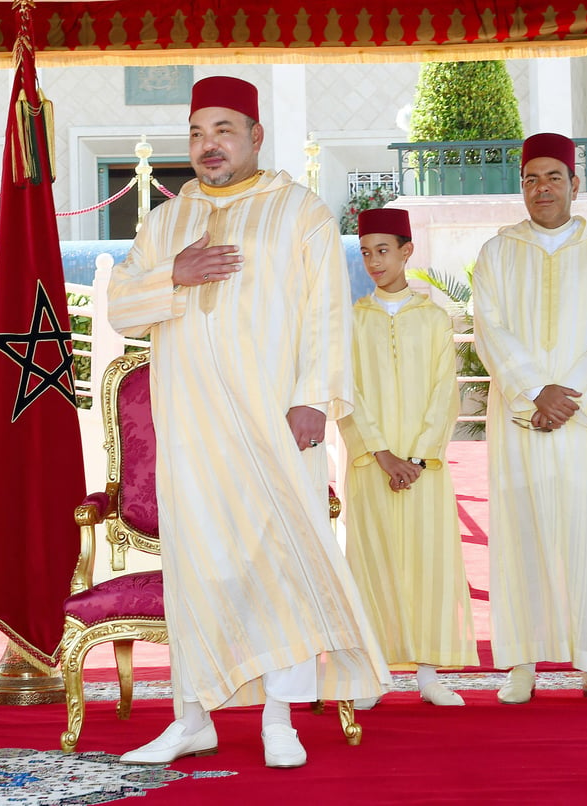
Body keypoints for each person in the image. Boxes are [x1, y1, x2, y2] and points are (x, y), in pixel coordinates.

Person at [107, 76, 389, 769]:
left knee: (279, 564)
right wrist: (173, 273)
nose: (209, 145)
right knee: (195, 569)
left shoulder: (298, 211)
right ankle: (190, 716)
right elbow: (120, 309)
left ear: (255, 136)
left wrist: (312, 398)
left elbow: (326, 311)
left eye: (223, 130)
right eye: (198, 133)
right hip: (189, 430)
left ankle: (279, 719)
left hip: (271, 423)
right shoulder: (163, 222)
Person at [472, 133, 587, 706]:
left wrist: (569, 398)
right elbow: (490, 330)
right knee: (520, 536)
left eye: (553, 178)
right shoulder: (497, 252)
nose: (541, 189)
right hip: (523, 424)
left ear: (575, 184)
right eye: (530, 180)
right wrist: (535, 393)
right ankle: (520, 662)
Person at [339, 208, 479, 706]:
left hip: (424, 470)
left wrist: (417, 459)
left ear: (406, 251)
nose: (375, 261)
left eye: (384, 250)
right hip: (370, 464)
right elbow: (347, 392)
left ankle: (428, 675)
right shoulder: (352, 320)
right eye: (366, 252)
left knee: (427, 561)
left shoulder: (435, 318)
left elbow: (445, 394)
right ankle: (375, 674)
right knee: (372, 562)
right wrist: (381, 453)